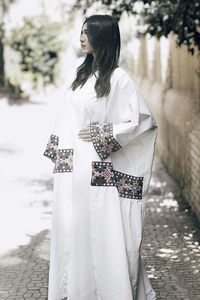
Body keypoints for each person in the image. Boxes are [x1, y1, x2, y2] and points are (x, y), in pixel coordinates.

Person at [43, 14, 158, 300]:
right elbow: (66, 116)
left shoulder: (118, 79)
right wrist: (60, 153)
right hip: (74, 168)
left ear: (102, 37)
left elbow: (142, 122)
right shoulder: (80, 74)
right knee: (74, 225)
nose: (81, 37)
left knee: (100, 228)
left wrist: (101, 132)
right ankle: (77, 290)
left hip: (99, 170)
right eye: (81, 32)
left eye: (87, 33)